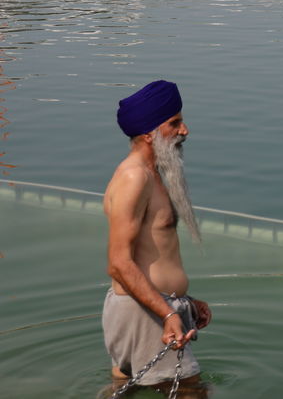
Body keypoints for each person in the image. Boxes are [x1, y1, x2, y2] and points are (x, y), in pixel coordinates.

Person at [103, 80, 211, 394]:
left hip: (151, 308)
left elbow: (152, 254)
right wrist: (167, 314)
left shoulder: (151, 174)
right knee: (193, 392)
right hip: (146, 313)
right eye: (174, 123)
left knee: (125, 389)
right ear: (149, 134)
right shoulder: (134, 177)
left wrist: (184, 303)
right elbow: (119, 263)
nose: (185, 130)